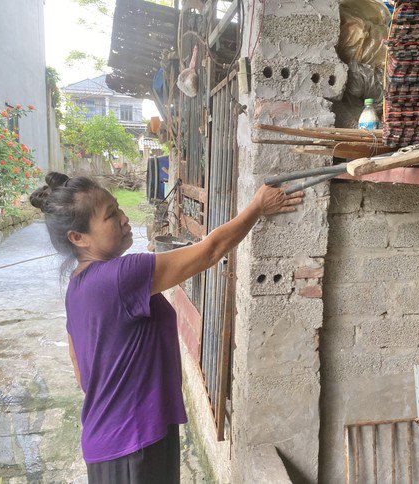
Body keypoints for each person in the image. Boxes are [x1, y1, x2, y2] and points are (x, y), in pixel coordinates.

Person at [30, 172, 303, 483]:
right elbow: (210, 251)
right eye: (110, 216)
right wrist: (257, 207)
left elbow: (81, 371)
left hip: (112, 440)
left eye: (118, 208)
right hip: (134, 443)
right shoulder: (121, 276)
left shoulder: (77, 286)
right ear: (78, 238)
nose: (124, 218)